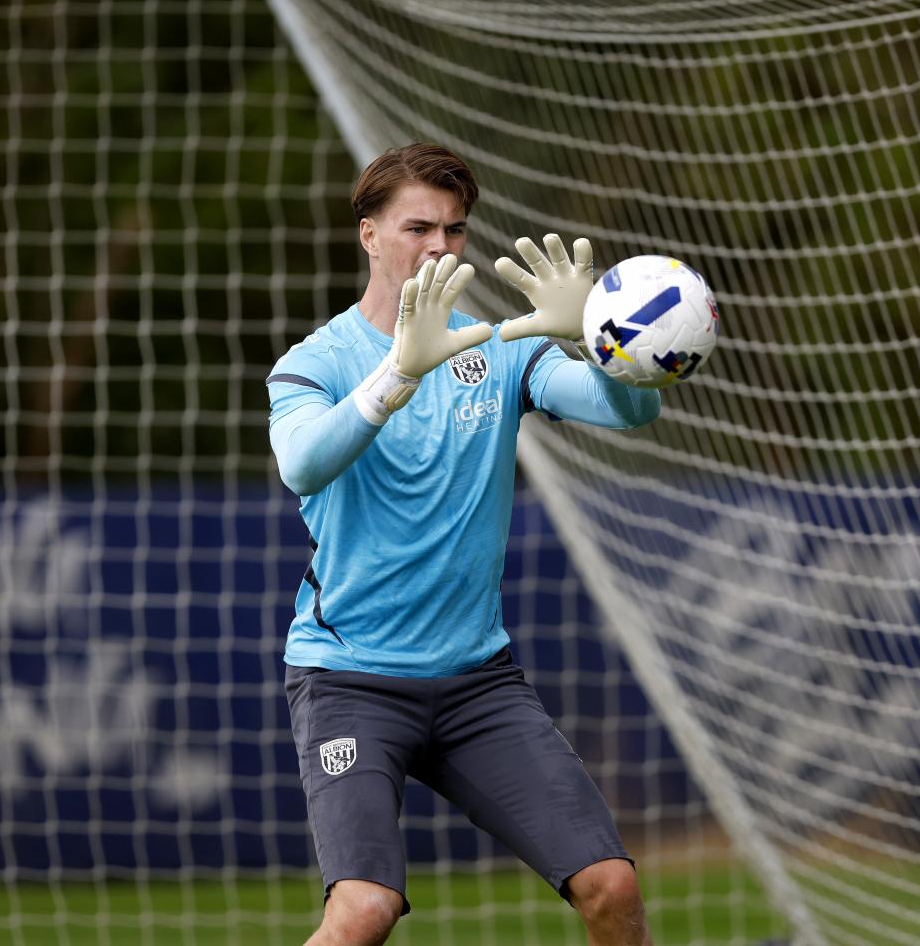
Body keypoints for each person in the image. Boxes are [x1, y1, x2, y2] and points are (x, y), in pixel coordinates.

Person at [266, 142, 659, 946]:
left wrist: (606, 343)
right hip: (351, 682)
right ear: (370, 234)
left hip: (478, 681)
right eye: (418, 228)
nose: (439, 248)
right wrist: (396, 378)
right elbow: (302, 461)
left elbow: (627, 415)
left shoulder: (500, 343)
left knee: (612, 887)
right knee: (363, 912)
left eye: (453, 230)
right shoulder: (318, 362)